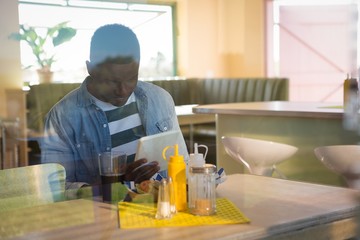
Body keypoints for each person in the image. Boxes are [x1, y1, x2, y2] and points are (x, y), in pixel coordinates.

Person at [41, 23, 187, 197]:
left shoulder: (160, 99)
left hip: (161, 211)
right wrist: (114, 186)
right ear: (90, 69)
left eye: (132, 78)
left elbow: (181, 164)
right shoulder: (62, 118)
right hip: (102, 217)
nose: (123, 90)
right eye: (111, 81)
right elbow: (55, 190)